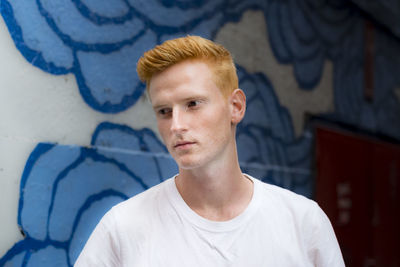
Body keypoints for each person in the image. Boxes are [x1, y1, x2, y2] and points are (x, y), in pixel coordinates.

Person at [75, 36, 345, 266]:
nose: (176, 126)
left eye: (193, 104)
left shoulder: (303, 223)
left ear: (236, 107)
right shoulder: (123, 228)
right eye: (164, 111)